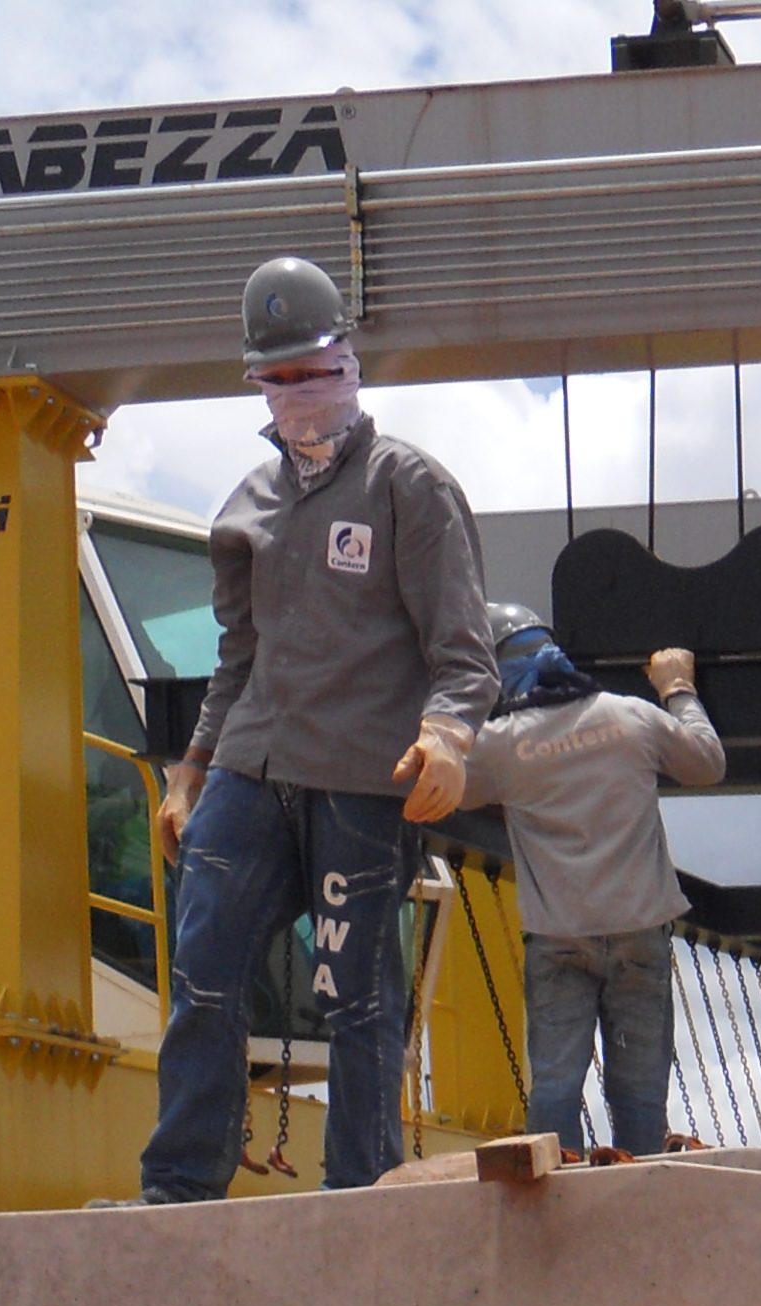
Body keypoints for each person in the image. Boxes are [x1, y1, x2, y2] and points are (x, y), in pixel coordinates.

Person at [139, 256, 495, 1201]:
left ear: (349, 361)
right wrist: (192, 768)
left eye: (314, 370)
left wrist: (450, 738)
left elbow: (464, 650)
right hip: (253, 769)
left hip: (362, 786)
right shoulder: (247, 505)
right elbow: (237, 656)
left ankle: (360, 1205)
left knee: (357, 1001)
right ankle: (176, 1195)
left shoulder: (408, 487)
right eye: (279, 376)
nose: (299, 392)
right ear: (256, 379)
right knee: (204, 971)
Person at [460, 605, 728, 1160]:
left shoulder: (499, 746)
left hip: (560, 942)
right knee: (639, 1097)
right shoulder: (631, 717)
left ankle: (556, 1213)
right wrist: (678, 688)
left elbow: (438, 791)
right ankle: (639, 1212)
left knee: (555, 1092)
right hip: (639, 935)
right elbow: (707, 763)